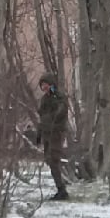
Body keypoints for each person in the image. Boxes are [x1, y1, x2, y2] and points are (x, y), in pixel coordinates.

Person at [37, 71, 69, 200]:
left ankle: (62, 190)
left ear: (51, 84)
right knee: (49, 160)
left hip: (57, 132)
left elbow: (61, 111)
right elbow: (42, 118)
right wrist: (39, 134)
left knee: (53, 159)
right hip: (46, 133)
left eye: (46, 85)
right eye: (42, 85)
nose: (44, 88)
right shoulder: (44, 99)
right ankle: (61, 186)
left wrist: (52, 118)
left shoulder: (59, 97)